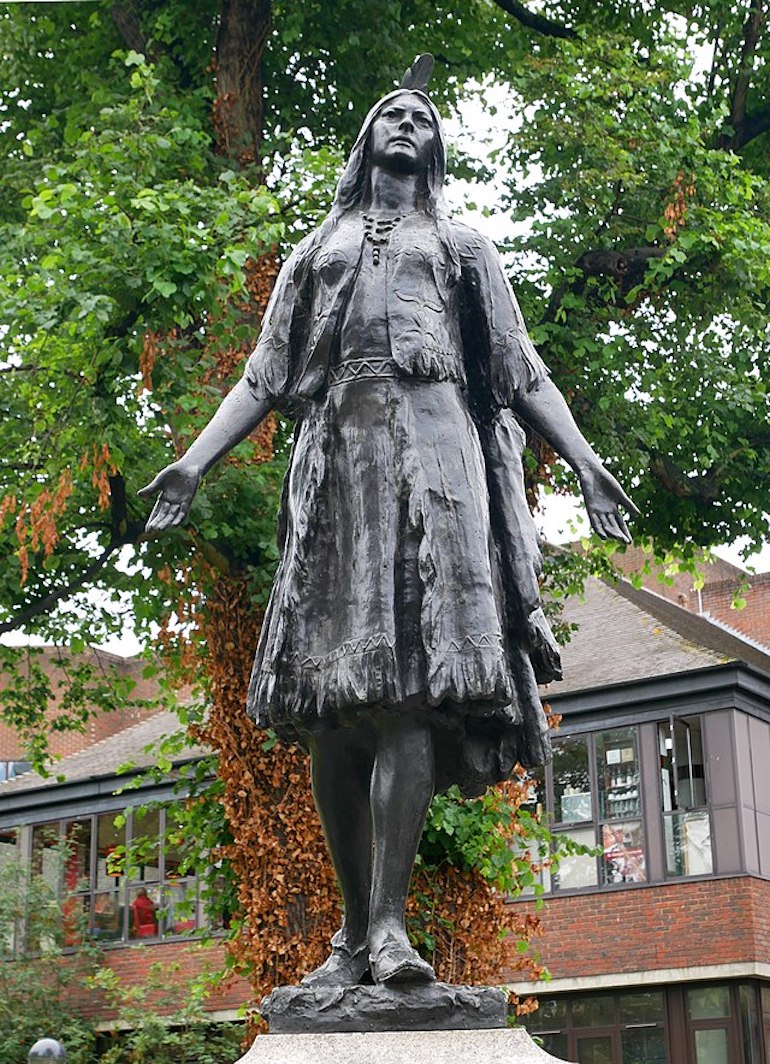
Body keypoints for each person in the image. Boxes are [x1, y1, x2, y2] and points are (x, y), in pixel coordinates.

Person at [140, 56, 636, 988]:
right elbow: (264, 375)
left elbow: (520, 370)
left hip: (434, 458)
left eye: (424, 116)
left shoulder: (462, 249)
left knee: (410, 691)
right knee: (334, 710)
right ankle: (346, 939)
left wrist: (584, 459)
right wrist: (195, 463)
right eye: (391, 111)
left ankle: (392, 927)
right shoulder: (315, 252)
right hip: (337, 471)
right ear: (365, 139)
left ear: (437, 149)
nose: (407, 122)